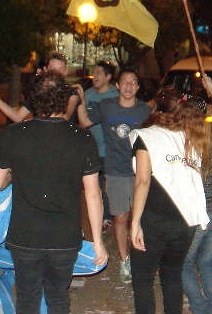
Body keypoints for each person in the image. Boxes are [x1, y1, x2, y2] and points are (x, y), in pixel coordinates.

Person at [0, 72, 108, 313]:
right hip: (64, 236)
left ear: (33, 99)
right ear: (64, 99)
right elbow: (93, 194)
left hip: (25, 235)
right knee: (58, 297)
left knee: (27, 298)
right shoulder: (82, 137)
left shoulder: (14, 133)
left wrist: (12, 173)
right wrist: (98, 242)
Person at [129, 88, 211, 314]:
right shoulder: (191, 134)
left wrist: (135, 223)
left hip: (154, 220)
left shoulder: (146, 136)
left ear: (156, 108)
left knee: (143, 279)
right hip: (185, 221)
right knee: (172, 276)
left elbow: (142, 181)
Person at [76, 67, 152, 283]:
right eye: (125, 81)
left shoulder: (145, 111)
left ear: (138, 87)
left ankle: (142, 257)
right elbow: (84, 122)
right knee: (120, 217)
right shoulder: (106, 106)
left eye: (133, 82)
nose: (129, 86)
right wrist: (81, 100)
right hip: (116, 171)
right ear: (117, 85)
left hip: (140, 172)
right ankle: (125, 260)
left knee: (141, 217)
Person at [182, 76, 212, 314]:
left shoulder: (182, 141)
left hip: (198, 212)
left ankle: (199, 307)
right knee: (207, 260)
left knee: (183, 262)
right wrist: (211, 87)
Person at [0, 52, 80, 122]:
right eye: (53, 69)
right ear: (45, 70)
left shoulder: (72, 91)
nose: (57, 73)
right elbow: (18, 116)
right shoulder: (40, 93)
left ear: (66, 71)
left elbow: (64, 119)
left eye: (61, 69)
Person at [83, 60, 119, 232]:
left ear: (108, 77)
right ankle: (102, 217)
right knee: (94, 186)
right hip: (92, 149)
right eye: (94, 72)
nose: (94, 76)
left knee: (111, 185)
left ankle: (116, 214)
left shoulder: (115, 96)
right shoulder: (88, 94)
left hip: (111, 149)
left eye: (98, 73)